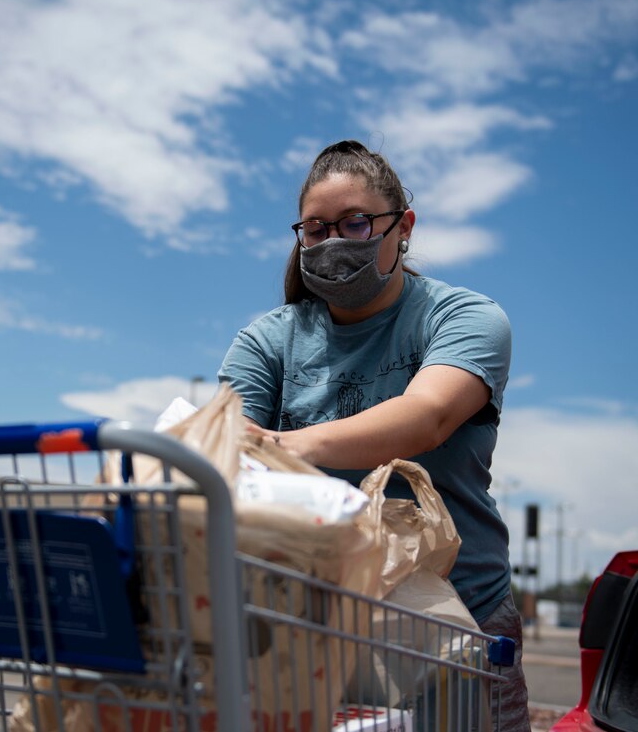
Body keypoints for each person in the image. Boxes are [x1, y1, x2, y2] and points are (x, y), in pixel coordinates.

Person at [218, 139, 530, 731]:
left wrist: (281, 444)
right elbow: (225, 443)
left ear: (402, 227)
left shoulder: (461, 317)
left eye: (356, 223)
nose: (334, 242)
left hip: (455, 617)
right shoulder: (267, 340)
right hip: (311, 619)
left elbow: (426, 416)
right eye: (316, 229)